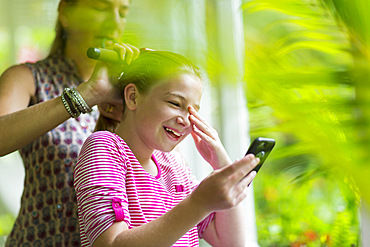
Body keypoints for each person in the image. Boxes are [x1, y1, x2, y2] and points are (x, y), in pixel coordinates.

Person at [74, 51, 260, 247]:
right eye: (175, 103)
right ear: (133, 97)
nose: (186, 120)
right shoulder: (104, 148)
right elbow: (110, 244)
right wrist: (198, 203)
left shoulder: (175, 166)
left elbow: (230, 243)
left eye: (193, 111)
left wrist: (222, 165)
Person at [0, 0, 140, 246]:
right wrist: (88, 94)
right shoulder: (27, 77)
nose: (116, 21)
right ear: (65, 13)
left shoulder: (131, 91)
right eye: (101, 7)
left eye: (123, 12)